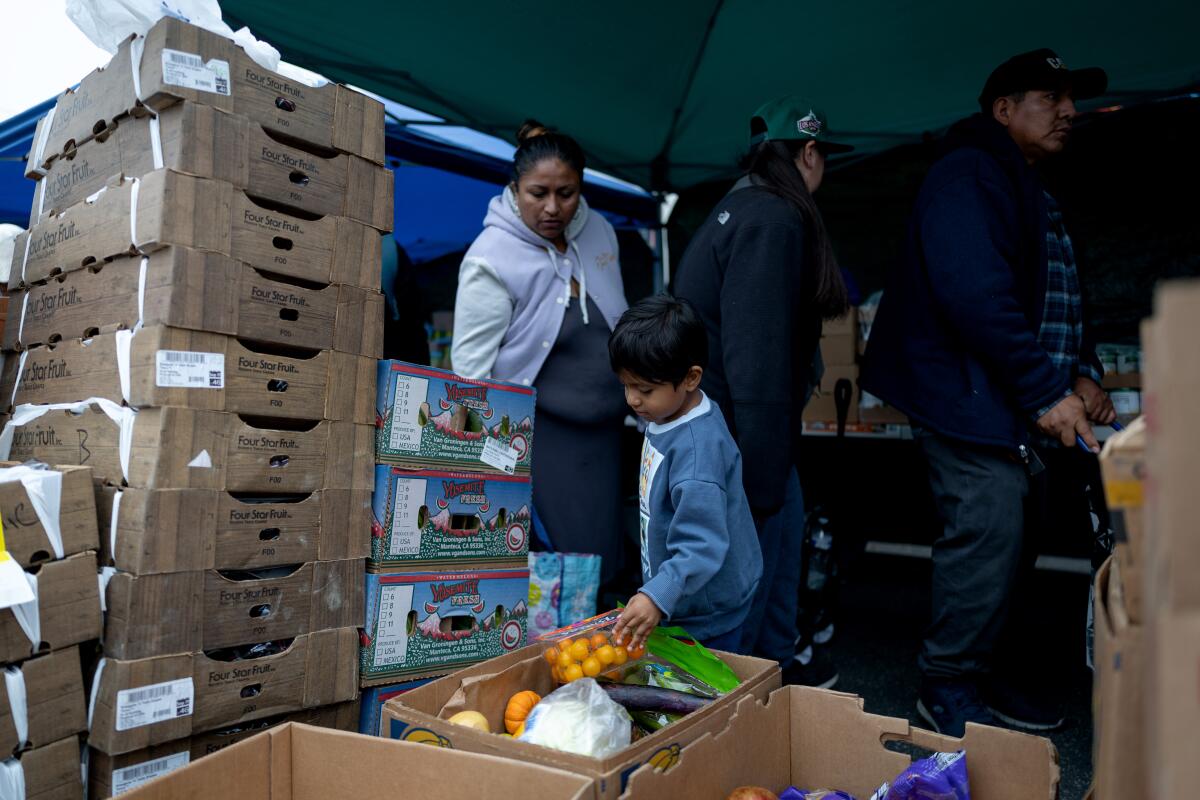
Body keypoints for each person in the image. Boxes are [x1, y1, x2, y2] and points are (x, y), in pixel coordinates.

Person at [860, 49, 1114, 737]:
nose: (1069, 111)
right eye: (1050, 97)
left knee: (1017, 530)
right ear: (1003, 110)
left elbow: (1055, 292)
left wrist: (1083, 370)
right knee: (990, 525)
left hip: (1011, 395)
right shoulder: (970, 173)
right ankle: (945, 685)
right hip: (969, 393)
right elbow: (977, 296)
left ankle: (980, 669)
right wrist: (1043, 389)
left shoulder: (1028, 184)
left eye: (1072, 97)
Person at [673, 97, 852, 684]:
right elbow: (756, 359)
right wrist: (760, 477)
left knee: (774, 579)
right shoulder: (771, 218)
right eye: (823, 155)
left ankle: (774, 692)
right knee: (747, 592)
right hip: (744, 437)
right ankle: (745, 711)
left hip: (739, 432)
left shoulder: (740, 208)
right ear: (807, 153)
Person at [451, 121, 629, 586]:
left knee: (607, 559)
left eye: (566, 193)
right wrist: (483, 463)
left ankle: (605, 650)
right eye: (538, 193)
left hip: (607, 437)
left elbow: (621, 321)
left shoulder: (601, 233)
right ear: (514, 189)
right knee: (564, 572)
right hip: (543, 443)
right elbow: (471, 372)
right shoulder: (491, 257)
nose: (553, 208)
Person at [608, 295, 763, 652]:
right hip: (683, 596)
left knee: (709, 697)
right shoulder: (666, 413)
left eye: (644, 389)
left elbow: (701, 543)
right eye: (625, 386)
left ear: (691, 378)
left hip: (707, 611)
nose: (632, 399)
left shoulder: (696, 453)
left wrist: (657, 595)